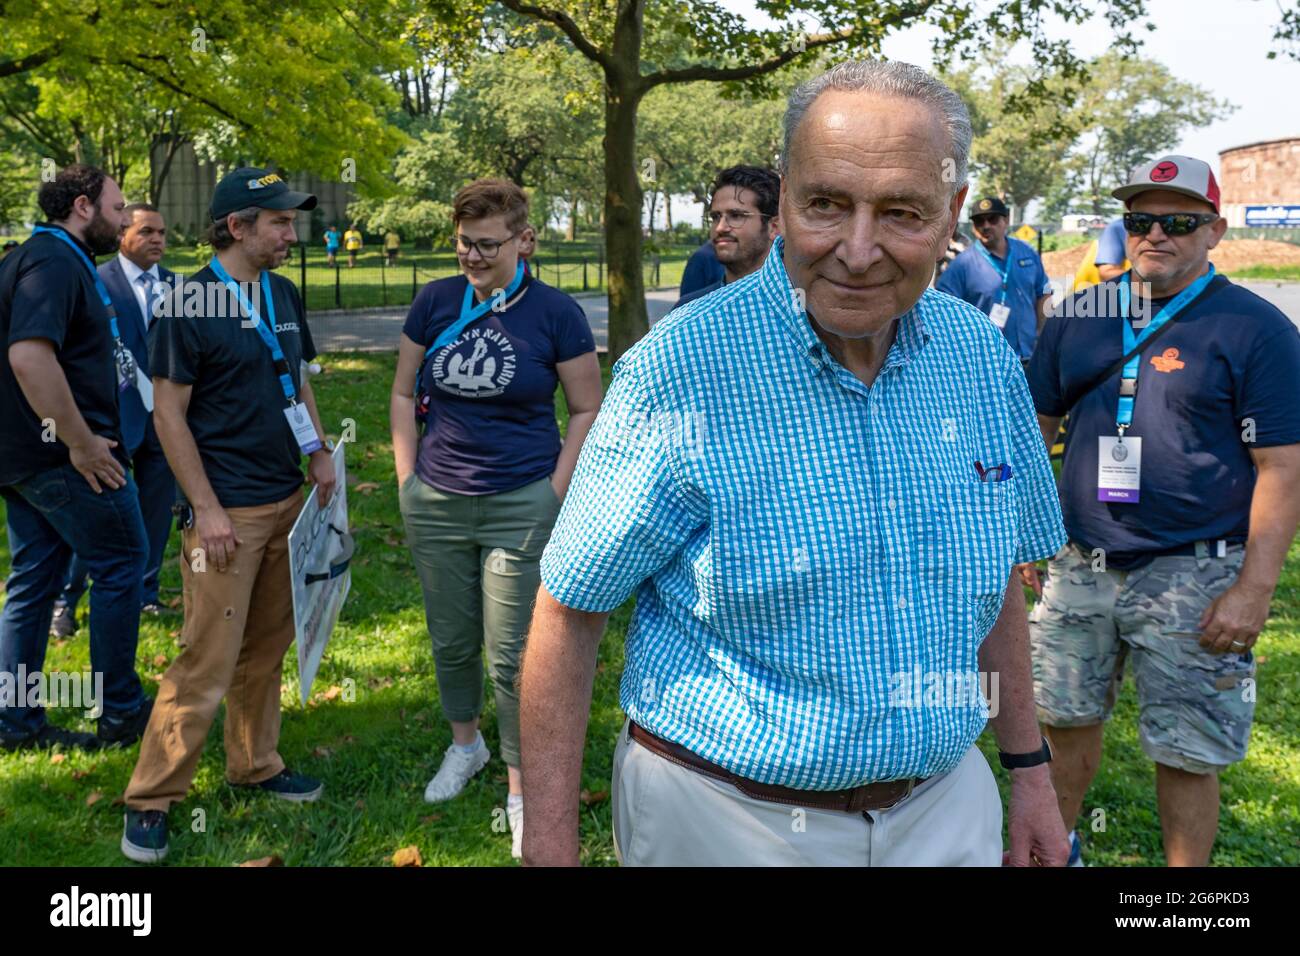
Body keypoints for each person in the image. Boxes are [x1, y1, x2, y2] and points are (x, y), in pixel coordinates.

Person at [520, 60, 1069, 867]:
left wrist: (1029, 774)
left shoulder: (981, 361)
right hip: (724, 821)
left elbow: (992, 593)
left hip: (943, 810)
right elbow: (569, 614)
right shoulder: (681, 370)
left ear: (952, 213)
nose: (856, 250)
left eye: (901, 213)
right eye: (825, 205)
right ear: (784, 199)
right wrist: (549, 849)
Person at [1024, 154, 1300, 867]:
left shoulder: (1256, 328)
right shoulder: (1081, 313)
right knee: (1063, 719)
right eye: (1140, 220)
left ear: (1214, 231)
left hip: (1195, 574)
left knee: (1186, 751)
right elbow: (1037, 429)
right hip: (1079, 560)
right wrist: (1024, 534)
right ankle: (1055, 853)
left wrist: (1254, 590)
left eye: (1178, 221)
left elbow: (1282, 468)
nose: (1156, 235)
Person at [121, 167, 333, 863]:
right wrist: (206, 507)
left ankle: (255, 763)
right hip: (227, 513)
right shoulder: (189, 303)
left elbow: (294, 376)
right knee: (205, 656)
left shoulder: (282, 292)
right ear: (237, 227)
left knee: (266, 647)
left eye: (291, 221)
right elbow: (168, 415)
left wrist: (321, 453)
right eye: (277, 222)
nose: (290, 233)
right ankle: (151, 798)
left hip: (287, 504)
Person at [390, 178, 602, 860]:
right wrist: (407, 480)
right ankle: (465, 745)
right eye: (463, 244)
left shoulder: (556, 314)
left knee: (512, 654)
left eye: (487, 245)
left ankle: (519, 786)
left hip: (521, 502)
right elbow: (399, 391)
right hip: (439, 499)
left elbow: (588, 410)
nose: (472, 258)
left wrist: (553, 493)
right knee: (452, 640)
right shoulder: (435, 301)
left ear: (525, 240)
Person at [0, 164, 153, 751]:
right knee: (122, 563)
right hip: (63, 458)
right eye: (118, 211)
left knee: (34, 581)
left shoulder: (28, 257)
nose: (123, 224)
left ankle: (16, 723)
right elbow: (29, 358)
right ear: (84, 207)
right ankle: (120, 711)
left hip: (24, 458)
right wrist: (81, 442)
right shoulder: (55, 262)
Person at [50, 203, 177, 638]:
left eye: (162, 233)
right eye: (146, 232)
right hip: (112, 422)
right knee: (104, 517)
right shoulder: (93, 280)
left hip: (164, 422)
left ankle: (146, 591)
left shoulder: (178, 288)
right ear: (123, 234)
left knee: (157, 511)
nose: (157, 239)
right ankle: (66, 599)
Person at [936, 197, 1053, 364]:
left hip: (1030, 358)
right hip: (988, 364)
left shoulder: (1026, 252)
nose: (986, 226)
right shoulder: (962, 265)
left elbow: (1044, 294)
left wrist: (1043, 337)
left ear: (1005, 220)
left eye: (992, 219)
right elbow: (943, 311)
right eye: (979, 221)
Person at [671, 165, 780, 310]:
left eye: (736, 216)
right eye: (715, 217)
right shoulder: (688, 311)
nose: (720, 227)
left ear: (774, 227)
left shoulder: (802, 307)